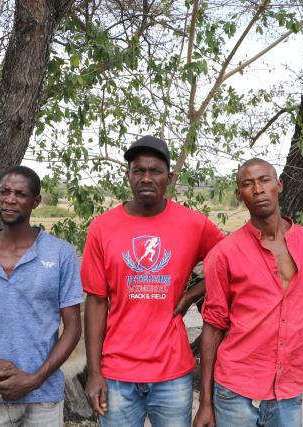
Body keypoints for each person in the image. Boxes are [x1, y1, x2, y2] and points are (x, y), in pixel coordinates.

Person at [81, 135, 225, 427]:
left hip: (172, 373)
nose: (146, 177)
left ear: (169, 177)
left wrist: (191, 294)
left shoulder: (193, 224)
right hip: (117, 373)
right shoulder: (102, 228)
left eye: (155, 171)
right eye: (139, 170)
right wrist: (94, 372)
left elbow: (232, 261)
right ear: (128, 175)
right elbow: (96, 301)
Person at [193, 158, 303, 427]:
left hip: (289, 392)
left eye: (264, 180)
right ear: (239, 194)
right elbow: (213, 327)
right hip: (235, 392)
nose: (257, 189)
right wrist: (205, 403)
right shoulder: (225, 253)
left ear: (278, 185)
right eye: (247, 184)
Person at [0, 166, 83, 427]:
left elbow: (73, 327)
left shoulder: (60, 254)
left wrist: (36, 378)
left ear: (35, 201)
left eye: (20, 194)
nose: (10, 199)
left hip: (44, 397)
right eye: (4, 192)